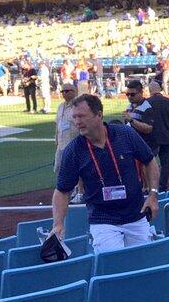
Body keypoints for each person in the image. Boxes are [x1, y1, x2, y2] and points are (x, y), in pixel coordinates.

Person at [52, 94, 160, 252]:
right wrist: (58, 224)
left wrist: (153, 195)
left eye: (82, 116)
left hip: (136, 216)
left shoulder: (125, 134)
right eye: (74, 117)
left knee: (142, 265)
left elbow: (150, 161)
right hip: (103, 221)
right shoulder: (73, 150)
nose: (77, 122)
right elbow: (62, 190)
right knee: (112, 265)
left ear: (99, 115)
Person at [145, 79, 169, 193]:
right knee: (165, 164)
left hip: (152, 138)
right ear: (160, 89)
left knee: (149, 163)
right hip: (166, 136)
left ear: (150, 91)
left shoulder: (147, 103)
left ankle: (151, 187)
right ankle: (163, 187)